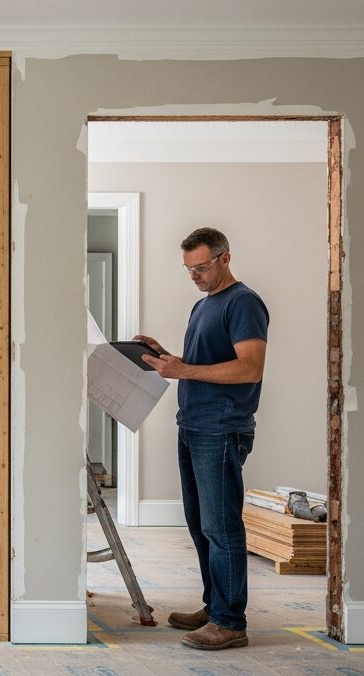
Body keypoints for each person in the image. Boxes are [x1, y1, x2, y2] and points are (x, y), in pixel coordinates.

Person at [135, 227, 269, 651]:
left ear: (225, 258)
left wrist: (184, 371)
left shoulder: (244, 302)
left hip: (221, 428)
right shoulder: (203, 305)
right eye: (188, 268)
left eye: (201, 266)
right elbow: (205, 363)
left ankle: (231, 622)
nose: (194, 275)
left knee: (222, 526)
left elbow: (250, 368)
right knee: (199, 525)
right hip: (193, 425)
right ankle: (215, 608)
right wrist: (168, 357)